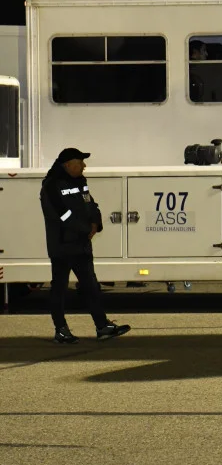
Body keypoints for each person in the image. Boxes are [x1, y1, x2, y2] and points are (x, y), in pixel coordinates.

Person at [39, 147, 130, 343]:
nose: (84, 165)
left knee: (91, 287)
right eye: (80, 162)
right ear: (67, 164)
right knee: (60, 289)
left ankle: (102, 327)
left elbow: (91, 205)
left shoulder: (80, 182)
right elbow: (61, 214)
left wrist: (96, 223)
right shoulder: (51, 186)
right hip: (62, 246)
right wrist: (84, 229)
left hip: (81, 246)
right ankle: (61, 330)